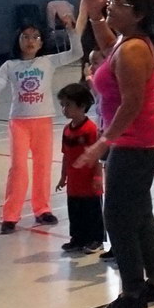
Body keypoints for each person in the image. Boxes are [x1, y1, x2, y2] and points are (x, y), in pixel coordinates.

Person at [81, 0, 154, 308]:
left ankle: (133, 294)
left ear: (137, 15)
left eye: (118, 3)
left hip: (137, 141)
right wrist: (95, 16)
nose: (111, 5)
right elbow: (108, 46)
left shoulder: (134, 49)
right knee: (139, 210)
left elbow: (132, 104)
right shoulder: (125, 40)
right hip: (139, 138)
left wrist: (104, 141)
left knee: (118, 216)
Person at [0, 0, 88, 233]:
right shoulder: (10, 65)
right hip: (19, 123)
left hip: (43, 122)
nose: (30, 41)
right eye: (26, 37)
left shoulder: (47, 62)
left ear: (41, 42)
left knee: (42, 166)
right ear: (18, 40)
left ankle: (42, 209)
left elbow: (77, 52)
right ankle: (10, 215)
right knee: (18, 168)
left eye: (35, 37)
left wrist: (71, 31)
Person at [55, 81, 105, 255]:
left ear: (82, 106)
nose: (64, 109)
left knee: (92, 212)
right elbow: (66, 155)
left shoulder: (91, 129)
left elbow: (98, 156)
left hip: (89, 184)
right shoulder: (66, 130)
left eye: (68, 105)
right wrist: (63, 176)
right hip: (74, 184)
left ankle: (96, 240)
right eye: (62, 105)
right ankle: (78, 238)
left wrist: (97, 178)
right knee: (75, 212)